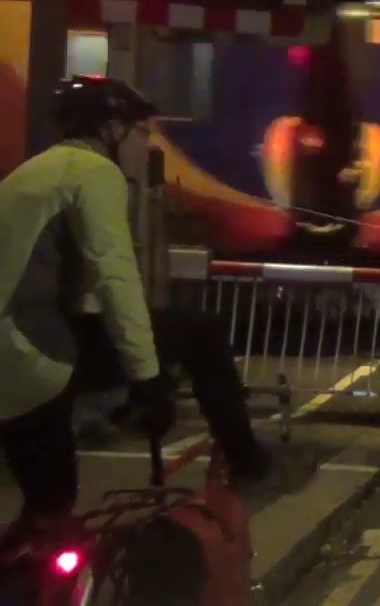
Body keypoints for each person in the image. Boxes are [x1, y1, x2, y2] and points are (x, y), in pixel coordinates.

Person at [0, 75, 314, 552]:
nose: (146, 144)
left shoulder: (34, 171)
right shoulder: (93, 171)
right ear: (111, 130)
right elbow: (115, 277)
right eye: (142, 132)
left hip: (15, 359)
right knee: (201, 332)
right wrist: (147, 378)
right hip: (32, 350)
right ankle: (249, 462)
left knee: (47, 511)